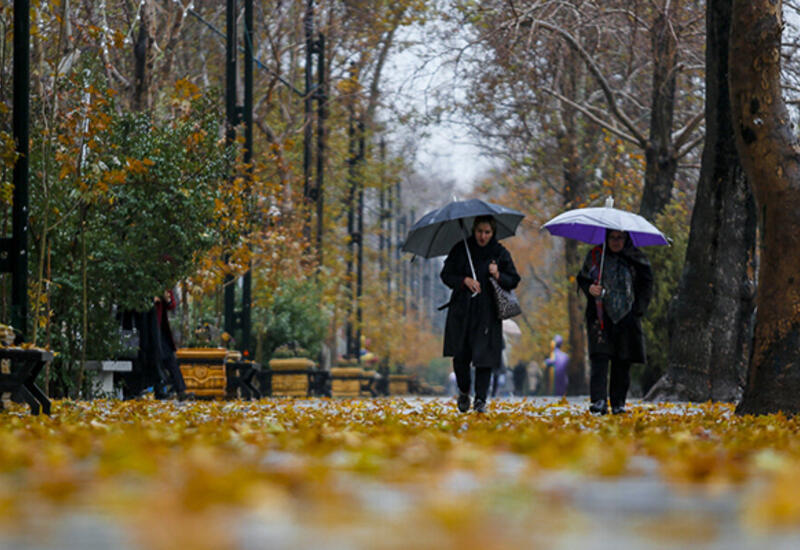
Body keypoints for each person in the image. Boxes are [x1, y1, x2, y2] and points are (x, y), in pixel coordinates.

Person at [441, 215, 521, 413]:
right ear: (473, 230)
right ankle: (464, 390)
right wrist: (464, 281)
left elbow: (513, 279)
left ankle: (481, 399)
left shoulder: (500, 253)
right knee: (460, 356)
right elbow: (446, 275)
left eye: (487, 232)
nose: (483, 236)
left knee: (485, 358)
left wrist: (498, 274)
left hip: (487, 313)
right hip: (462, 310)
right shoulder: (462, 249)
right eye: (479, 231)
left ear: (493, 233)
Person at [577, 230, 653, 415]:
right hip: (600, 315)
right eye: (612, 237)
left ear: (626, 239)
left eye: (620, 238)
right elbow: (583, 278)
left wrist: (638, 309)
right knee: (600, 359)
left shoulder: (637, 258)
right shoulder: (596, 256)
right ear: (606, 238)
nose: (616, 242)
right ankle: (599, 400)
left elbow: (646, 284)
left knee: (622, 361)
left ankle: (618, 402)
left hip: (627, 317)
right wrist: (590, 288)